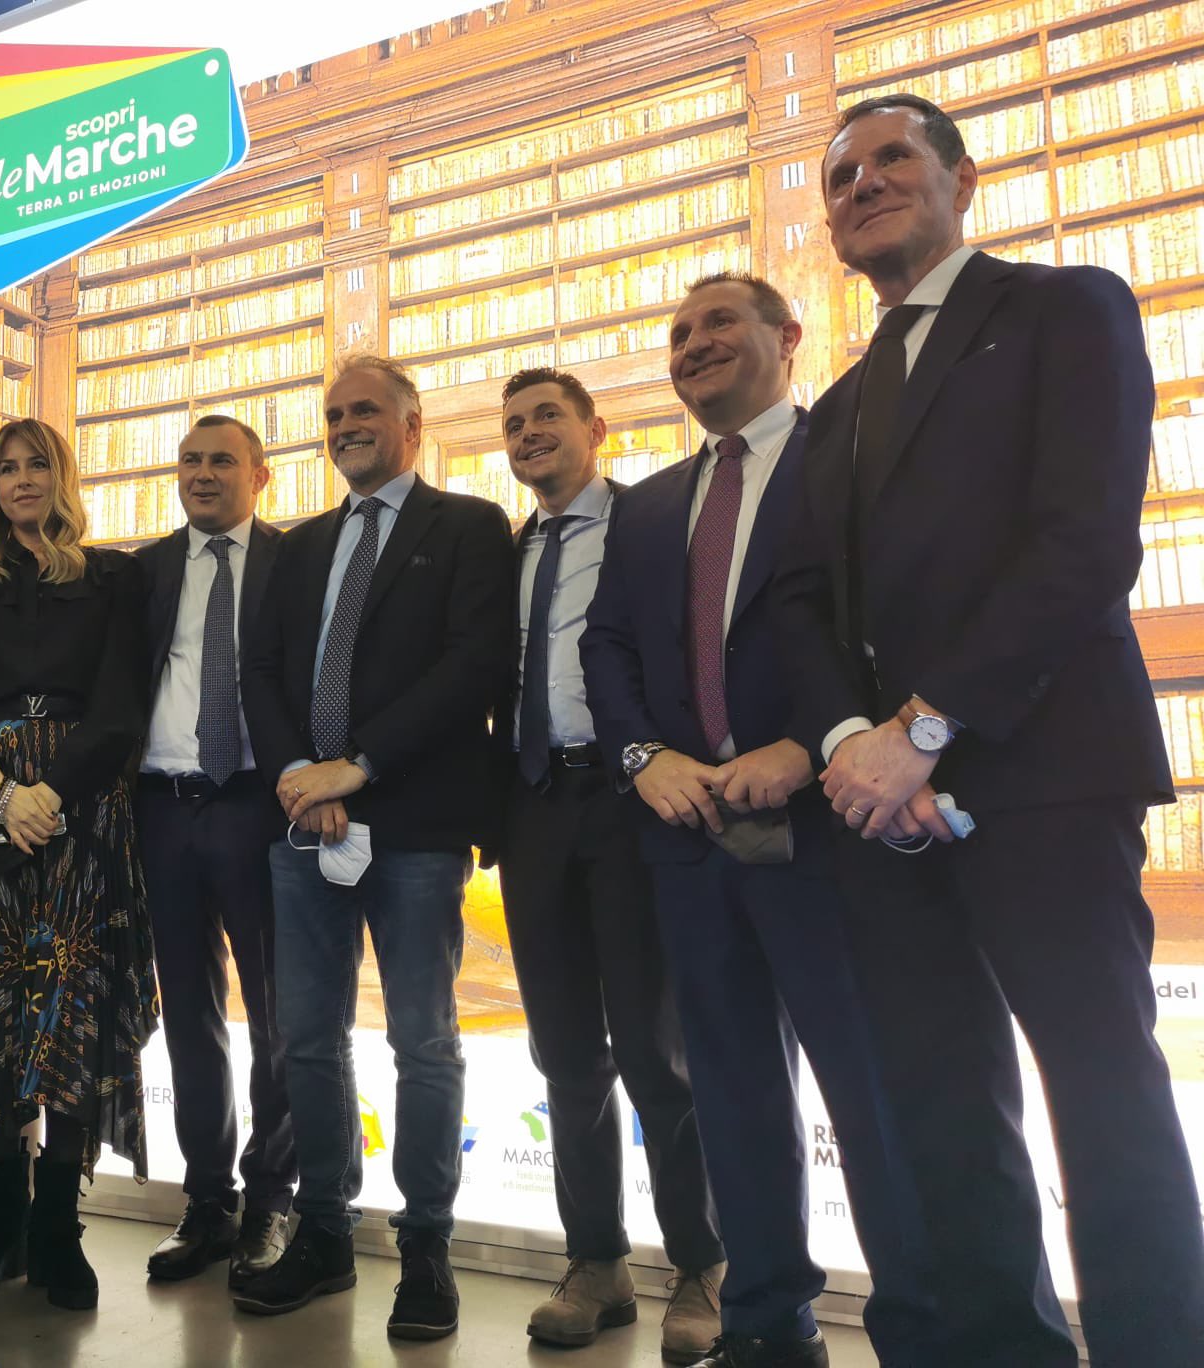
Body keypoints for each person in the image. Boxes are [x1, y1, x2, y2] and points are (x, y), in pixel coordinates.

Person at [777, 93, 1204, 1366]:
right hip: (884, 813)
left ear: (963, 178)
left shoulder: (1067, 307)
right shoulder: (837, 407)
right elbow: (803, 601)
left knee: (1105, 1097)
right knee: (943, 1114)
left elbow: (1085, 542)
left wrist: (925, 726)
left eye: (890, 159)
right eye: (840, 176)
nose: (861, 185)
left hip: (1045, 777)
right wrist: (856, 743)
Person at [583, 278, 935, 1368]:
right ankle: (767, 1323)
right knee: (731, 1096)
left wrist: (815, 743)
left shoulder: (852, 455)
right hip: (692, 842)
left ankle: (918, 1330)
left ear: (789, 336)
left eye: (718, 323)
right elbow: (606, 647)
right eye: (679, 335)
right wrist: (645, 758)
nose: (694, 345)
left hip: (835, 831)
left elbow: (900, 616)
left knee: (872, 1096)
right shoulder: (647, 506)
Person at [236, 354, 514, 1341]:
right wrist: (295, 775)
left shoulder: (469, 526)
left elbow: (473, 666)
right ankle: (323, 1232)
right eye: (333, 414)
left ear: (412, 423)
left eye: (365, 410)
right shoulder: (301, 545)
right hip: (304, 826)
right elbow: (262, 670)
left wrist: (355, 768)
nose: (346, 425)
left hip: (417, 823)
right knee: (307, 1038)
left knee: (423, 1042)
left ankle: (426, 1245)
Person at [488, 366, 727, 1363]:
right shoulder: (504, 552)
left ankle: (701, 1267)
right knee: (564, 1054)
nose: (529, 433)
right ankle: (596, 1262)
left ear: (597, 428)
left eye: (548, 415)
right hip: (533, 808)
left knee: (655, 1051)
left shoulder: (653, 525)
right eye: (514, 423)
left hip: (633, 805)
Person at [0, 417, 155, 1314]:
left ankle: (60, 1221)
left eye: (36, 465)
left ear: (62, 476)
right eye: (6, 468)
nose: (21, 480)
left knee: (75, 1008)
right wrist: (2, 792)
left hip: (83, 808)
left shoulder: (115, 576)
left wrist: (49, 791)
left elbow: (122, 704)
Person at [134, 415, 295, 1288]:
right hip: (163, 809)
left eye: (222, 461)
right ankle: (208, 1202)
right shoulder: (144, 570)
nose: (203, 474)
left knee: (278, 1013)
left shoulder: (293, 563)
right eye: (190, 460)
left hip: (258, 806)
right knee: (188, 1014)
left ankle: (273, 1197)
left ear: (259, 475)